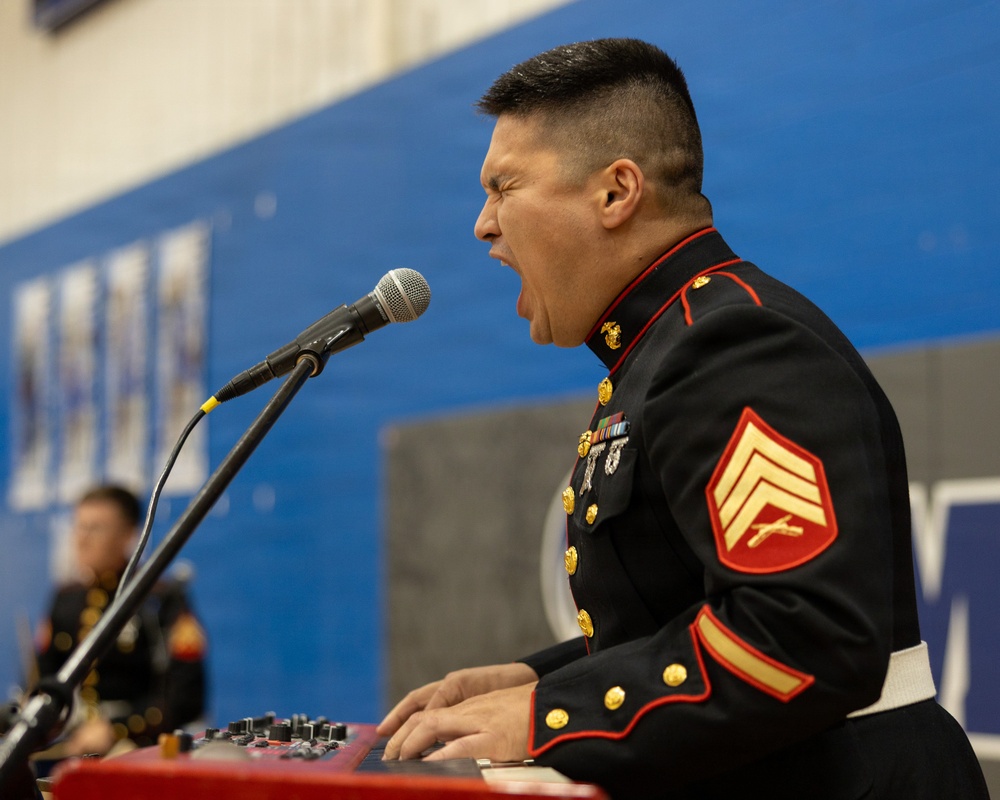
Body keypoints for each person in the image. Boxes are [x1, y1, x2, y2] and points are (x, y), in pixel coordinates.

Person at [376, 38, 990, 799]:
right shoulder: (668, 344)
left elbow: (804, 636)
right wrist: (537, 675)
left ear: (616, 192)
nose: (483, 226)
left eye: (503, 186)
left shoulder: (734, 344)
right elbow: (698, 614)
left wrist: (548, 715)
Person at [35, 485, 207, 755]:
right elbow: (43, 677)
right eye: (79, 527)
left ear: (128, 535)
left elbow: (185, 699)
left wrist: (116, 727)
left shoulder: (158, 600)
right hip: (71, 736)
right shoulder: (65, 598)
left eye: (96, 528)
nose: (82, 538)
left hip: (136, 743)